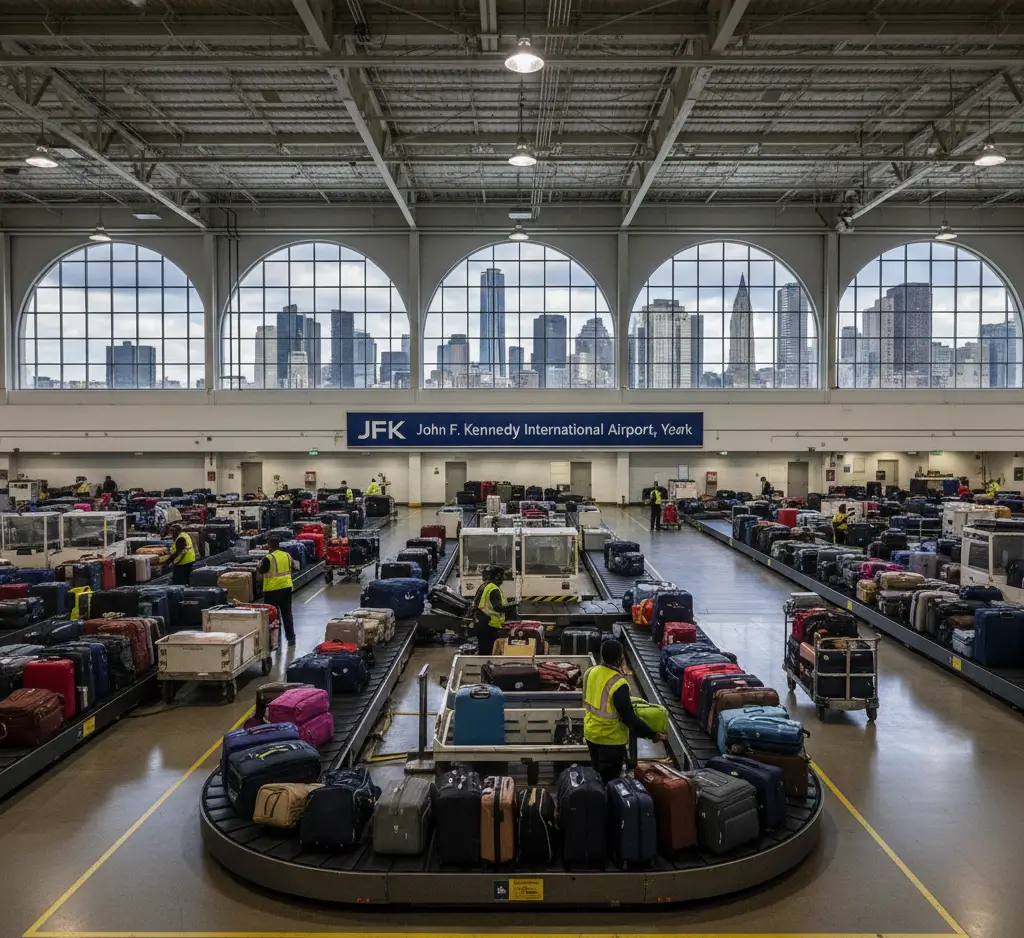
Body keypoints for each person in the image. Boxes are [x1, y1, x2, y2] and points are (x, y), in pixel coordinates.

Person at [583, 639, 662, 783]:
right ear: (620, 658)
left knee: (597, 774)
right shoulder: (618, 683)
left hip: (591, 734)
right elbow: (628, 717)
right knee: (610, 781)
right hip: (610, 739)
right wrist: (652, 735)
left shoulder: (591, 672)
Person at [261, 535, 297, 646]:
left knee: (273, 616)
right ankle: (291, 639)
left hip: (272, 590)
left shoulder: (268, 558)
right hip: (286, 588)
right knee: (287, 614)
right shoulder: (287, 555)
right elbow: (294, 567)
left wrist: (258, 566)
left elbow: (262, 571)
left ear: (271, 545)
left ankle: (276, 639)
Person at [473, 565, 516, 656]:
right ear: (496, 576)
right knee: (489, 652)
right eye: (502, 575)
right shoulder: (494, 589)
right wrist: (514, 605)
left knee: (484, 650)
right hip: (489, 625)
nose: (504, 578)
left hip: (482, 622)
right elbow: (498, 608)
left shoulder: (486, 586)